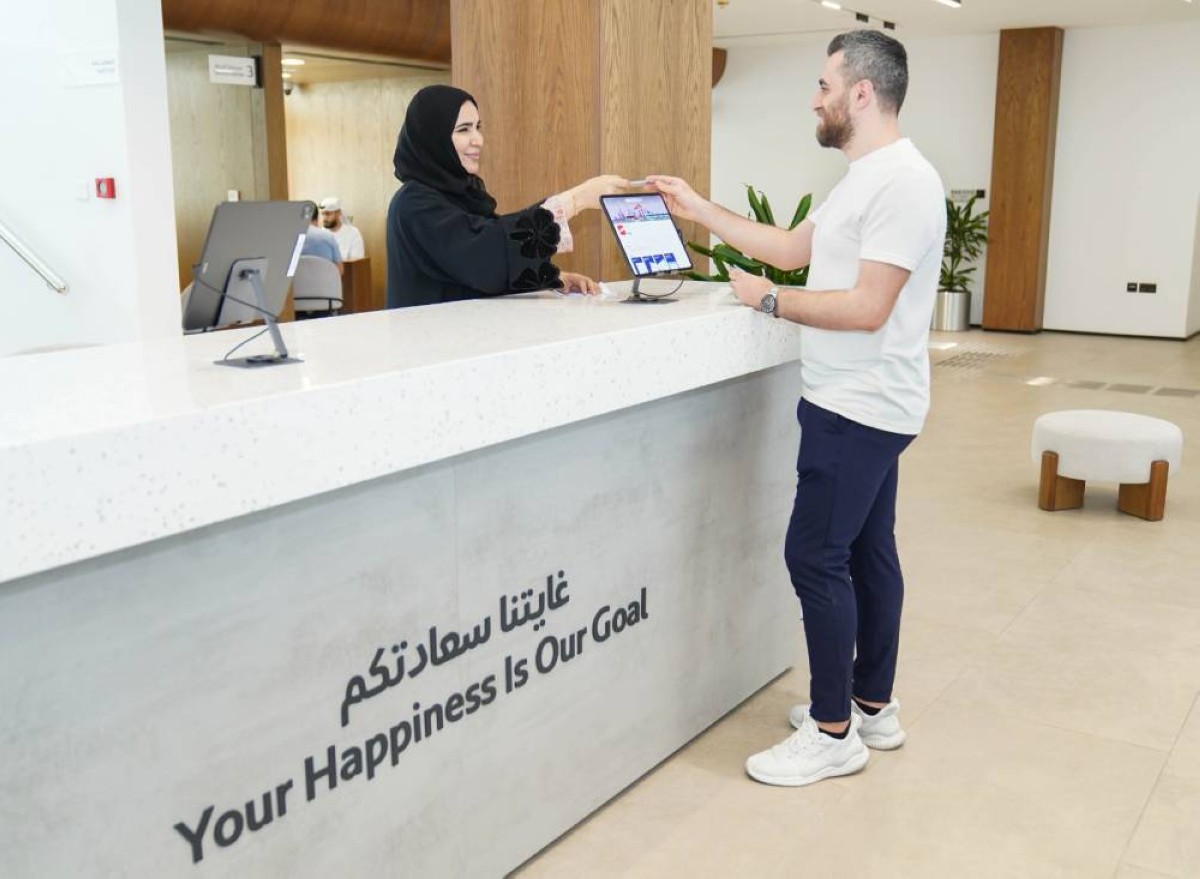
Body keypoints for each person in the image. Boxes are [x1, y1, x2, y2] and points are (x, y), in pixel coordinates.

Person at [649, 29, 946, 788]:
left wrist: (770, 302)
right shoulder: (862, 178)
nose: (814, 99)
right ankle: (872, 706)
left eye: (823, 85)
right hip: (862, 400)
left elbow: (868, 307)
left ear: (861, 93)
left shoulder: (904, 184)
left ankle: (832, 731)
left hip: (859, 404)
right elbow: (788, 248)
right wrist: (697, 208)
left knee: (814, 556)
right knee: (867, 552)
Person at [386, 84, 628, 308]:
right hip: (431, 338)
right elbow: (485, 257)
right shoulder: (414, 203)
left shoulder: (461, 195)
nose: (478, 140)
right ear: (434, 137)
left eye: (477, 127)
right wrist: (576, 200)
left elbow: (494, 248)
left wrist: (554, 279)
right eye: (463, 130)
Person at [300, 201, 344, 275]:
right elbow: (340, 270)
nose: (325, 218)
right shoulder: (328, 236)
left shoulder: (292, 238)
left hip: (300, 282)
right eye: (323, 214)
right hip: (328, 281)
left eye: (328, 214)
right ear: (317, 217)